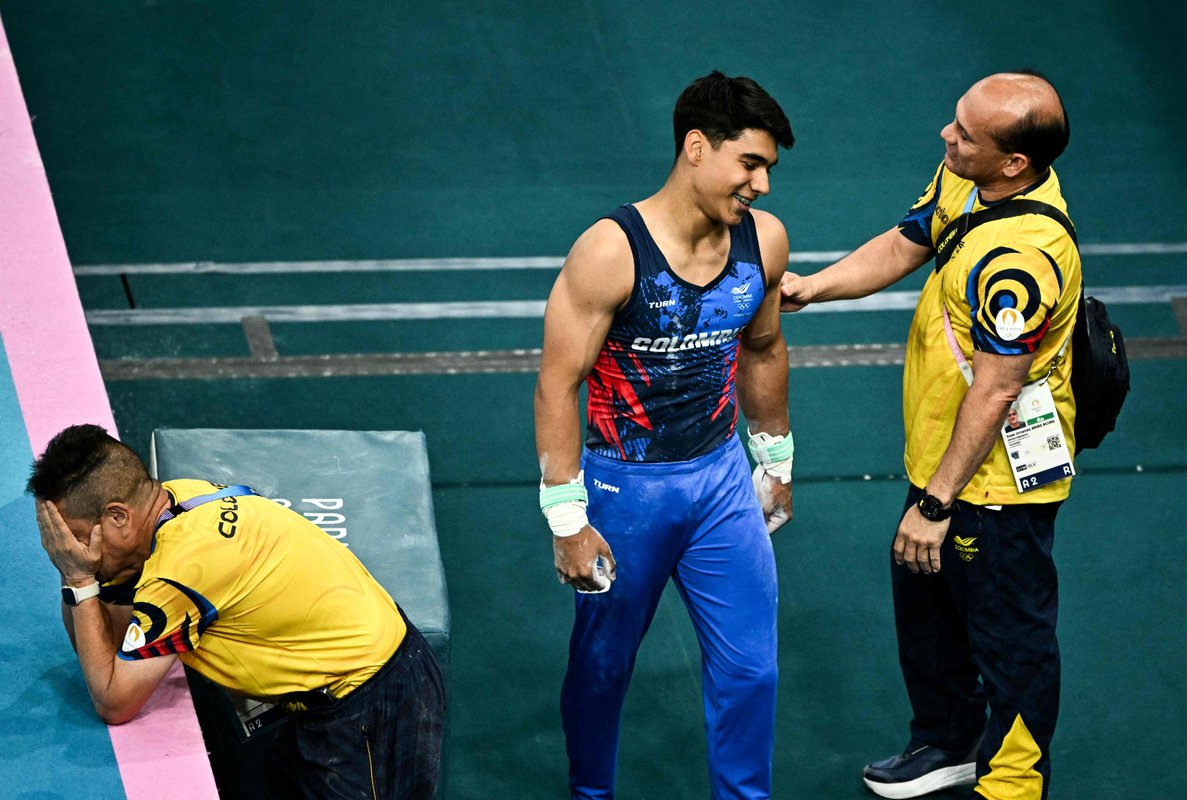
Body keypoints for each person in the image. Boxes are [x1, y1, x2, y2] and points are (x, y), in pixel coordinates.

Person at [780, 71, 1079, 799]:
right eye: (955, 121)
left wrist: (936, 504)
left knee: (1010, 639)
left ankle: (1010, 785)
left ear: (1015, 162)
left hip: (992, 485)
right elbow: (910, 239)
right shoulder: (967, 180)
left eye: (966, 134)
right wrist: (812, 287)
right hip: (942, 459)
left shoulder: (1021, 260)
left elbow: (999, 385)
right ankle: (946, 742)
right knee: (929, 614)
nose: (947, 137)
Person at [533, 71, 795, 799]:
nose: (763, 185)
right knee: (604, 666)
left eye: (770, 168)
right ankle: (591, 795)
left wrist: (774, 460)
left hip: (718, 487)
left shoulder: (763, 242)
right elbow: (558, 382)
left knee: (752, 668)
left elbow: (765, 349)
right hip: (626, 493)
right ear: (696, 147)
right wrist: (567, 519)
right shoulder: (611, 251)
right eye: (751, 163)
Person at [28, 424, 444, 799]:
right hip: (336, 691)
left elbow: (114, 700)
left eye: (79, 537)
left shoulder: (183, 567)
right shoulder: (181, 497)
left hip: (368, 709)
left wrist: (78, 578)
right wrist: (80, 578)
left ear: (118, 516)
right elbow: (112, 640)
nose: (78, 550)